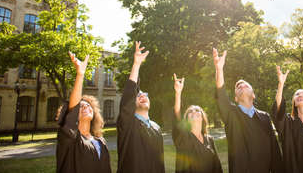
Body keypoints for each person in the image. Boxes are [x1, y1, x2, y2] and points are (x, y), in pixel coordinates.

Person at [213, 48, 282, 173]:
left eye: (245, 85)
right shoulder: (231, 114)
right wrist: (219, 69)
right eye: (238, 87)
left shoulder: (264, 117)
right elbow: (221, 94)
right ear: (235, 98)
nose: (241, 86)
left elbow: (275, 150)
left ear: (253, 95)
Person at [56, 52, 111, 173]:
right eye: (81, 107)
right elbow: (72, 111)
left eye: (88, 105)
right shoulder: (69, 139)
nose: (85, 107)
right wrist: (80, 75)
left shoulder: (100, 141)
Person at [117, 41, 165, 173]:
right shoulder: (128, 124)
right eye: (138, 96)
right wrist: (136, 64)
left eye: (145, 94)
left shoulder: (156, 128)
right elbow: (128, 97)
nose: (142, 96)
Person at [173, 74, 223, 173]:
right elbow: (176, 116)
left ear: (202, 118)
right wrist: (178, 93)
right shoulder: (182, 137)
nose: (194, 112)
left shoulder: (209, 139)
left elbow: (217, 166)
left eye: (197, 110)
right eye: (190, 112)